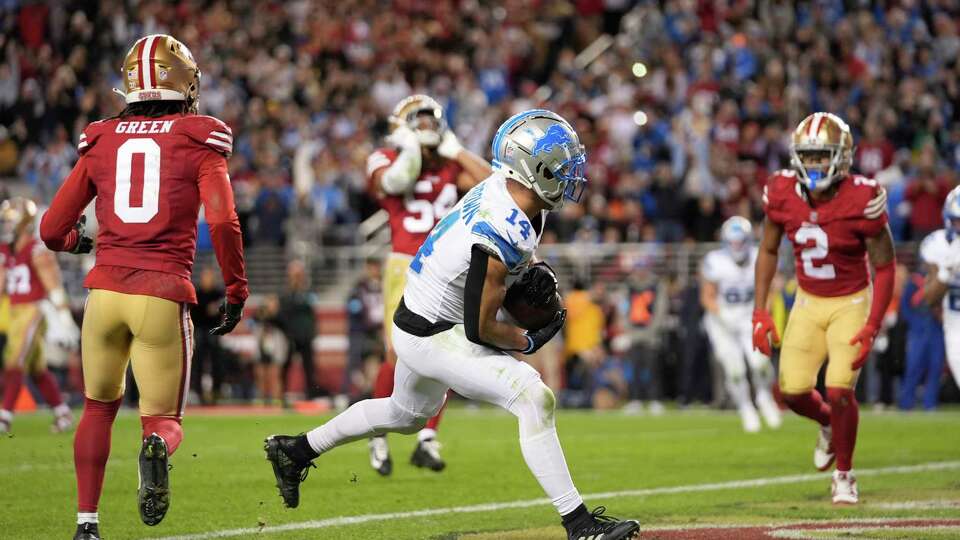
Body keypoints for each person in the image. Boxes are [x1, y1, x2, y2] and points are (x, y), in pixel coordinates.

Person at [265, 110, 640, 540]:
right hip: (434, 331)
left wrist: (530, 269)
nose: (571, 173)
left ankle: (295, 450)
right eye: (560, 163)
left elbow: (494, 178)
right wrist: (530, 338)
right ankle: (579, 524)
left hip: (419, 316)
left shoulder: (509, 189)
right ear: (531, 168)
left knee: (403, 415)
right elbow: (480, 328)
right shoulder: (502, 224)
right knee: (534, 397)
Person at [38, 34, 248, 540]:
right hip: (161, 292)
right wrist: (237, 288)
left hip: (104, 296)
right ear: (185, 84)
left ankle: (86, 524)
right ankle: (155, 448)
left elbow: (50, 230)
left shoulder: (102, 137)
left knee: (97, 408)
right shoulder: (200, 136)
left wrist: (78, 244)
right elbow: (222, 222)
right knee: (163, 419)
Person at [753, 112, 895, 505]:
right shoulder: (781, 191)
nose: (814, 164)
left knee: (838, 389)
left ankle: (844, 474)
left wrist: (872, 325)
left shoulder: (862, 196)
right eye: (809, 156)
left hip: (851, 300)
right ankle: (831, 426)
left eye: (822, 155)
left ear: (842, 157)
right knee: (793, 391)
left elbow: (885, 266)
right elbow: (767, 250)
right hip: (808, 299)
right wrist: (760, 310)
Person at [364, 95, 490, 475]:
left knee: (450, 352)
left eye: (431, 121)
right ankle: (376, 432)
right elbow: (395, 180)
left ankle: (427, 439)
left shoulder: (451, 164)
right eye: (417, 121)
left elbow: (493, 188)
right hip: (405, 264)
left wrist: (459, 150)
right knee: (397, 353)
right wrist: (410, 146)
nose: (427, 127)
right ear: (401, 125)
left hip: (447, 265)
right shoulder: (385, 157)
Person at [0, 197, 77, 434]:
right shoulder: (6, 249)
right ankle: (62, 412)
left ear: (25, 222)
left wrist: (63, 315)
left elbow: (52, 284)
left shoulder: (36, 249)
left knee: (15, 359)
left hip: (34, 310)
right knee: (36, 368)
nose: (7, 226)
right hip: (12, 310)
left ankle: (4, 417)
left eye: (11, 222)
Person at [701, 216, 781, 432]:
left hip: (751, 316)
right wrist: (722, 314)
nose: (737, 246)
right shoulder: (715, 260)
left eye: (740, 241)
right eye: (733, 242)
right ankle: (745, 407)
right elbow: (707, 296)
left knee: (761, 364)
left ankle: (765, 397)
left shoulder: (758, 256)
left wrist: (763, 310)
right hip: (723, 320)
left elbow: (772, 289)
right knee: (734, 370)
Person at [918, 185, 960, 391]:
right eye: (958, 221)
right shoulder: (938, 246)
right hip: (956, 327)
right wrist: (947, 270)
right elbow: (929, 298)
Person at [278, 260, 319, 400]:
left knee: (309, 367)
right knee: (285, 365)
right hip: (290, 336)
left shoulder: (308, 292)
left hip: (305, 335)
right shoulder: (285, 293)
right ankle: (281, 394)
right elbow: (284, 311)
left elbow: (311, 309)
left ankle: (311, 395)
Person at [190, 267, 225, 404]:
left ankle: (216, 391)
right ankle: (198, 392)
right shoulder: (197, 293)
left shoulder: (218, 293)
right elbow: (194, 313)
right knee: (198, 362)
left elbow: (224, 309)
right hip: (200, 330)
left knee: (217, 361)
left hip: (214, 330)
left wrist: (218, 308)